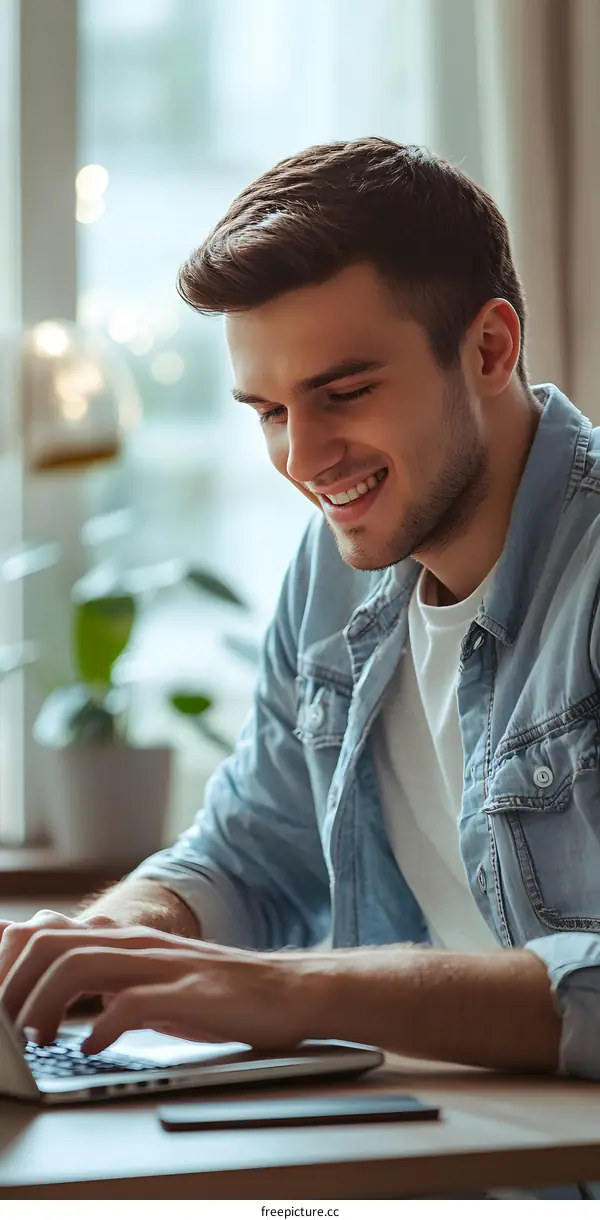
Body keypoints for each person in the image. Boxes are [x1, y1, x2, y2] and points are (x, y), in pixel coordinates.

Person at [3, 135, 600, 1083]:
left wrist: (291, 990)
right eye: (270, 411)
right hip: (447, 1152)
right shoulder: (335, 571)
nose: (304, 459)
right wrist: (102, 943)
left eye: (346, 392)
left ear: (490, 347)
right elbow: (253, 852)